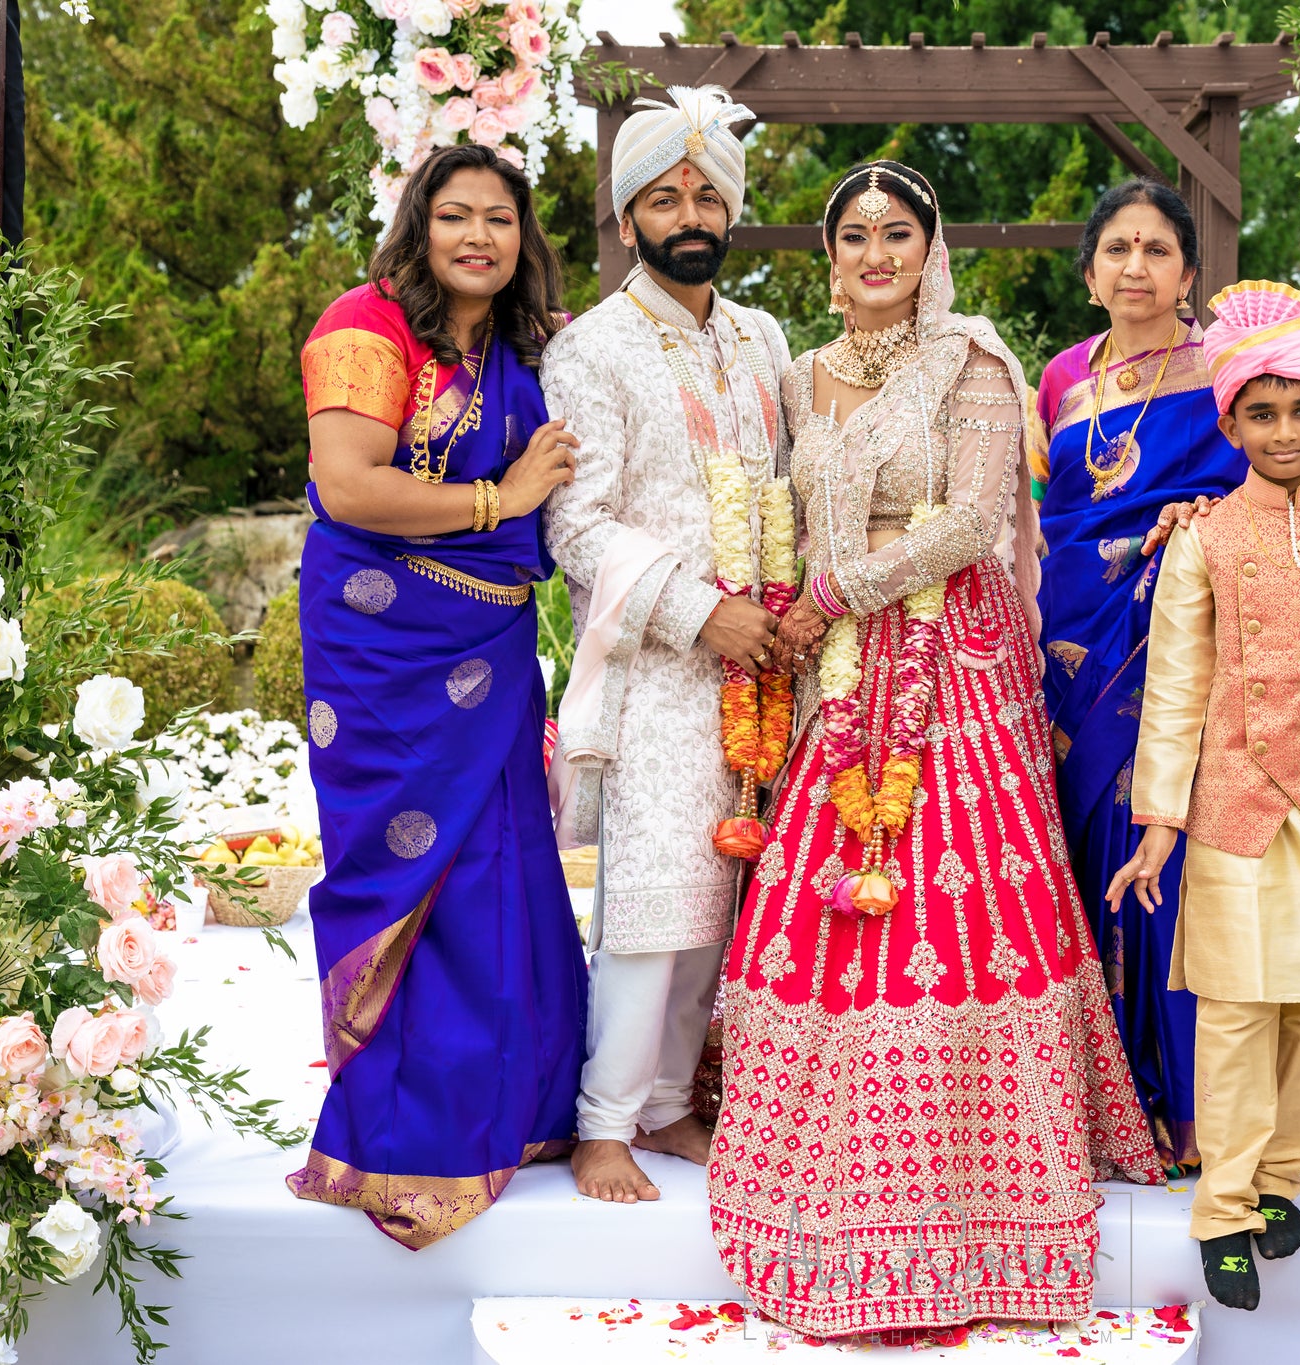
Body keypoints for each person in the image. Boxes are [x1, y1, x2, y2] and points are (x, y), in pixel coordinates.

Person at [708, 160, 1163, 1337]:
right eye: (853, 235)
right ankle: (831, 1174)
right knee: (831, 904)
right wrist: (802, 620)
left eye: (895, 235)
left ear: (928, 249)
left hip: (948, 658)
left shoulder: (967, 360)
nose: (873, 256)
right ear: (828, 253)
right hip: (836, 673)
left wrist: (838, 591)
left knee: (961, 902)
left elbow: (969, 519)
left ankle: (982, 1195)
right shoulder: (801, 378)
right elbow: (792, 511)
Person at [285, 143, 587, 1248]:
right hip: (383, 644)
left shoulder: (524, 346)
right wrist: (494, 499)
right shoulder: (365, 326)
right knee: (410, 865)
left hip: (492, 643)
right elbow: (348, 483)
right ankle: (402, 1137)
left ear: (524, 240)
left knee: (501, 865)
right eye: (454, 216)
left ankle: (515, 1108)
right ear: (418, 229)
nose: (477, 238)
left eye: (499, 220)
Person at [1107, 280, 1300, 1311]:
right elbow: (1174, 689)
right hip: (1236, 800)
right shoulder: (1201, 539)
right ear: (1230, 421)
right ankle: (1223, 1207)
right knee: (1238, 1008)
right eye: (1259, 411)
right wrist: (1159, 823)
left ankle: (1280, 1181)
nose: (1282, 431)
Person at [540, 86, 791, 1206]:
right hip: (662, 664)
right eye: (661, 196)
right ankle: (602, 1125)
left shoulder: (760, 338)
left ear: (729, 209)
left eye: (704, 192)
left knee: (725, 898)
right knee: (652, 895)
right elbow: (575, 525)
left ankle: (670, 1105)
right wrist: (700, 612)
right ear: (626, 215)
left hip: (770, 663)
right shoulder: (592, 348)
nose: (687, 211)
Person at [1027, 180, 1245, 1169]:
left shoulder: (1227, 369)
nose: (1135, 267)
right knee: (1076, 855)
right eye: (1115, 249)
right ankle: (1099, 1097)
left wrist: (1202, 526)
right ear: (1087, 274)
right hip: (1071, 634)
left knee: (1165, 852)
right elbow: (1048, 516)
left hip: (1175, 629)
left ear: (1188, 272)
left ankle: (1188, 1106)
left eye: (1156, 249)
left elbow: (1272, 481)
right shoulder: (1061, 379)